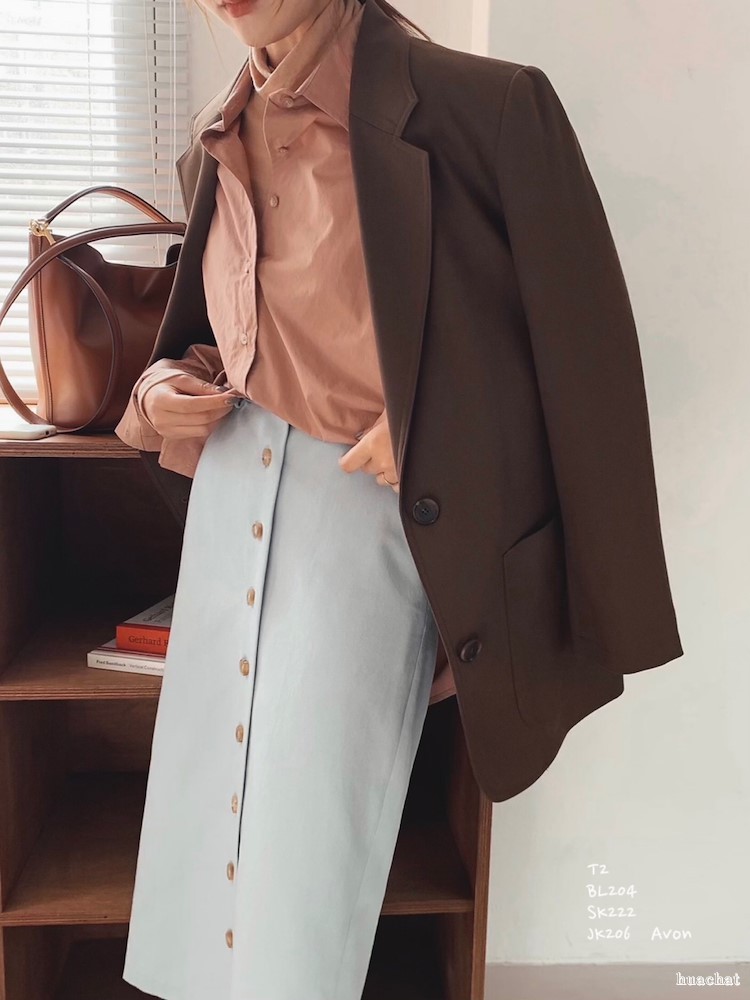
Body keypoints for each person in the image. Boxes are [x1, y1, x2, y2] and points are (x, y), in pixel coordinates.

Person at [115, 0, 684, 996]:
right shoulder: (218, 133)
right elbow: (228, 335)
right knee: (202, 837)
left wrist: (435, 434)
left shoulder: (487, 111)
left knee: (309, 855)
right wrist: (160, 386)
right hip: (230, 500)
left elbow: (581, 368)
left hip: (360, 517)